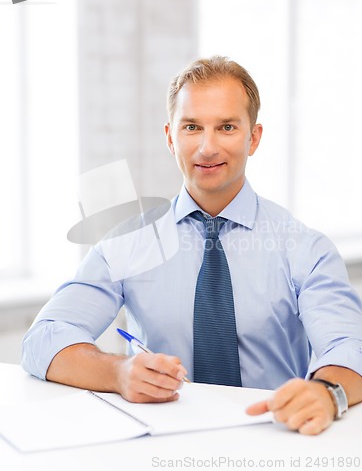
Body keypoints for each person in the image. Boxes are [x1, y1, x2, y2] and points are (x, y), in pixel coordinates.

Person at [22, 55, 362, 435]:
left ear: (254, 138)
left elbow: (350, 345)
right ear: (170, 137)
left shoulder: (304, 248)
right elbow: (43, 338)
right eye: (192, 127)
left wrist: (328, 392)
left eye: (227, 127)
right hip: (161, 446)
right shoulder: (127, 245)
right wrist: (118, 372)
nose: (207, 147)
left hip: (275, 439)